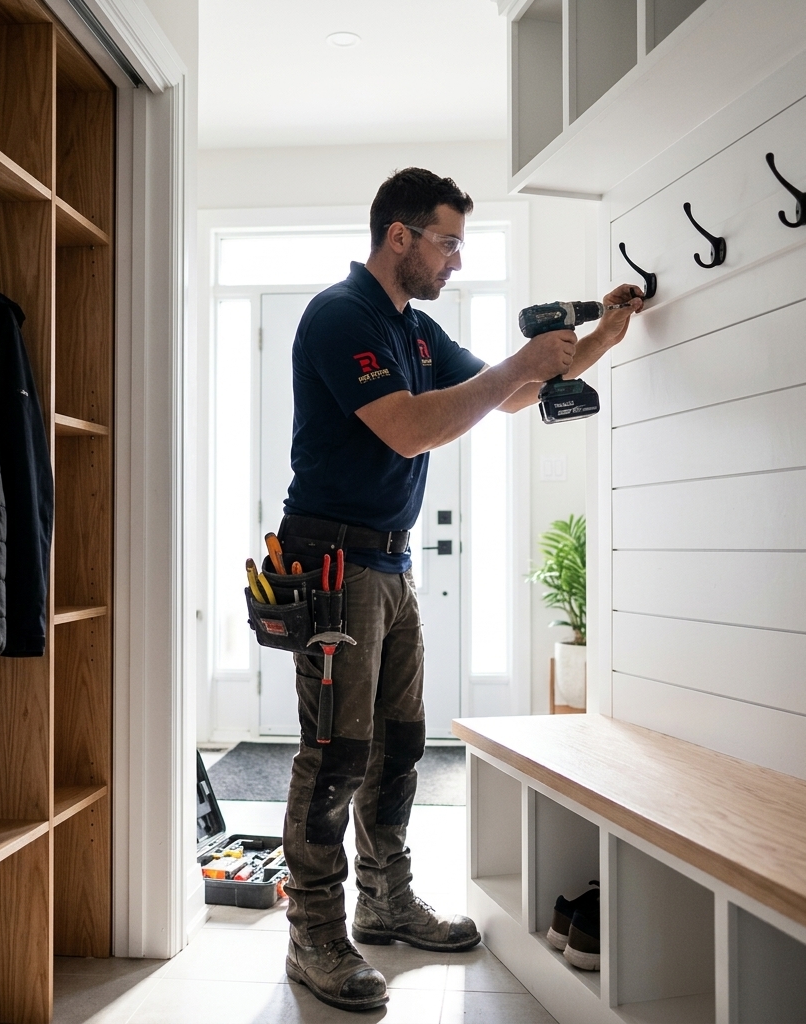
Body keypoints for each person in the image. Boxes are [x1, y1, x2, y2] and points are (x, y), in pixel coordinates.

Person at [276, 167, 642, 1012]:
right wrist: (518, 361)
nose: (455, 260)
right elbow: (408, 430)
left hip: (391, 563)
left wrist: (600, 335)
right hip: (332, 562)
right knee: (335, 754)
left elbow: (513, 397)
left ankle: (385, 900)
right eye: (446, 241)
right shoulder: (342, 316)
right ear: (397, 236)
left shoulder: (417, 327)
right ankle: (315, 936)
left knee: (398, 745)